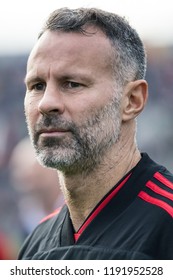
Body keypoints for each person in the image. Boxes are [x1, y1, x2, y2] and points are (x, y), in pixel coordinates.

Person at [18, 7, 173, 260]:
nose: (46, 104)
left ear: (132, 100)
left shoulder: (166, 223)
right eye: (37, 86)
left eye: (72, 84)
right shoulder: (36, 243)